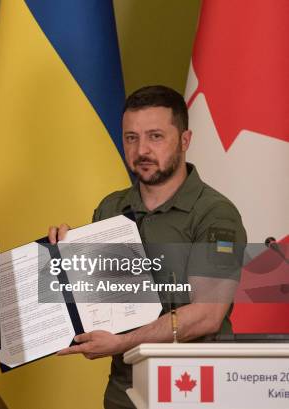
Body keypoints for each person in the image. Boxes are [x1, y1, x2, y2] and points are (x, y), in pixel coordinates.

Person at [49, 85, 246, 409]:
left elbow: (207, 316)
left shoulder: (214, 214)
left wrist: (121, 342)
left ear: (184, 140)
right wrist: (60, 254)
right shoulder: (111, 208)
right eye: (131, 137)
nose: (142, 149)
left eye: (155, 136)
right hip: (125, 392)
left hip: (196, 390)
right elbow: (87, 296)